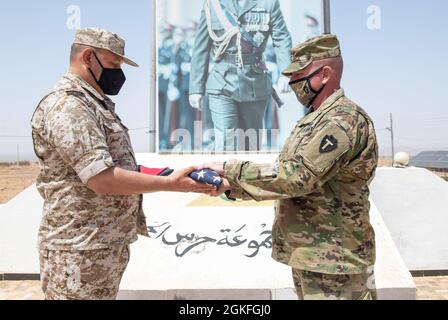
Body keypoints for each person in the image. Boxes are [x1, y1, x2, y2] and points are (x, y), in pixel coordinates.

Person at [31, 28, 215, 300]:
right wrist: (171, 184)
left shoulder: (95, 104)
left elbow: (121, 167)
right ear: (88, 57)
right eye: (114, 64)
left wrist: (179, 173)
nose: (119, 73)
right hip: (78, 249)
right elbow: (101, 178)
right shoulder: (69, 106)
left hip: (100, 244)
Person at [203, 34, 379, 300]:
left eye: (300, 74)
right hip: (314, 255)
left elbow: (297, 177)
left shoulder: (342, 120)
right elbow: (284, 174)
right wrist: (232, 187)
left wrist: (231, 171)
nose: (293, 82)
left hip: (336, 260)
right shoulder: (315, 120)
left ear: (325, 74)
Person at [189, 0, 292, 151]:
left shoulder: (268, 3)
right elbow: (201, 47)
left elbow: (281, 37)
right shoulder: (213, 4)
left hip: (254, 82)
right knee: (225, 142)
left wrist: (286, 72)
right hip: (221, 82)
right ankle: (224, 173)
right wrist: (196, 88)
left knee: (250, 144)